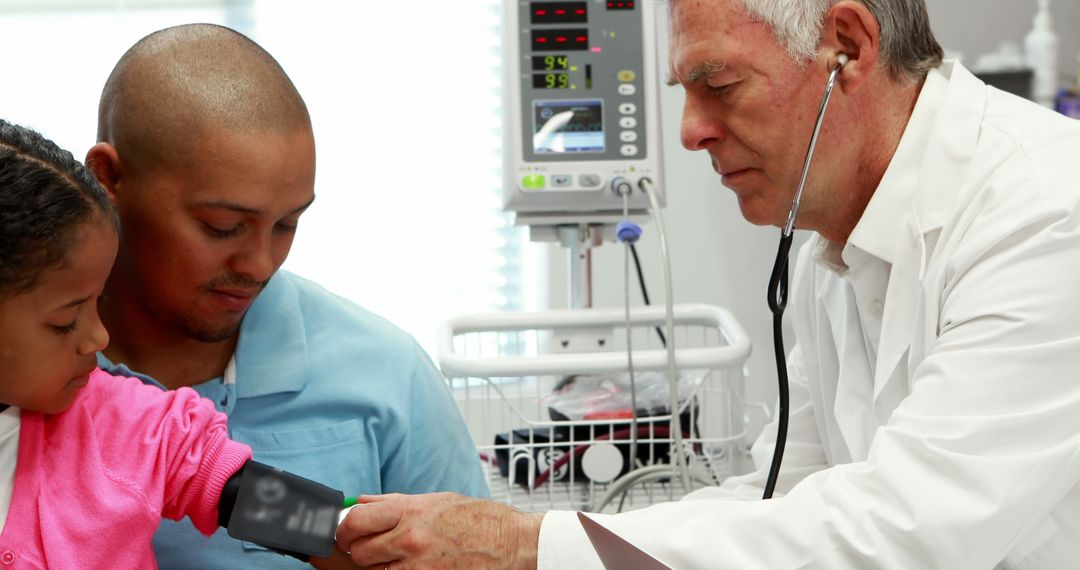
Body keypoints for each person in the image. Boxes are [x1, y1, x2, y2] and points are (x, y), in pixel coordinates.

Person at [328, 0, 1080, 568]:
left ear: (846, 48)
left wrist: (529, 545)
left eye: (717, 84)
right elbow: (785, 496)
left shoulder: (1047, 211)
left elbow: (908, 529)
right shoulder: (830, 241)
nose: (689, 130)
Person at [83, 23, 488, 568]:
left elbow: (230, 487)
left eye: (288, 223)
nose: (260, 265)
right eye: (221, 225)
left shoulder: (177, 444)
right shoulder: (42, 379)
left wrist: (346, 534)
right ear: (108, 179)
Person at [0, 119, 255, 568]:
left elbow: (250, 495)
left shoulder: (127, 428)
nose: (100, 338)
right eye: (65, 321)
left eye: (98, 302)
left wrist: (341, 526)